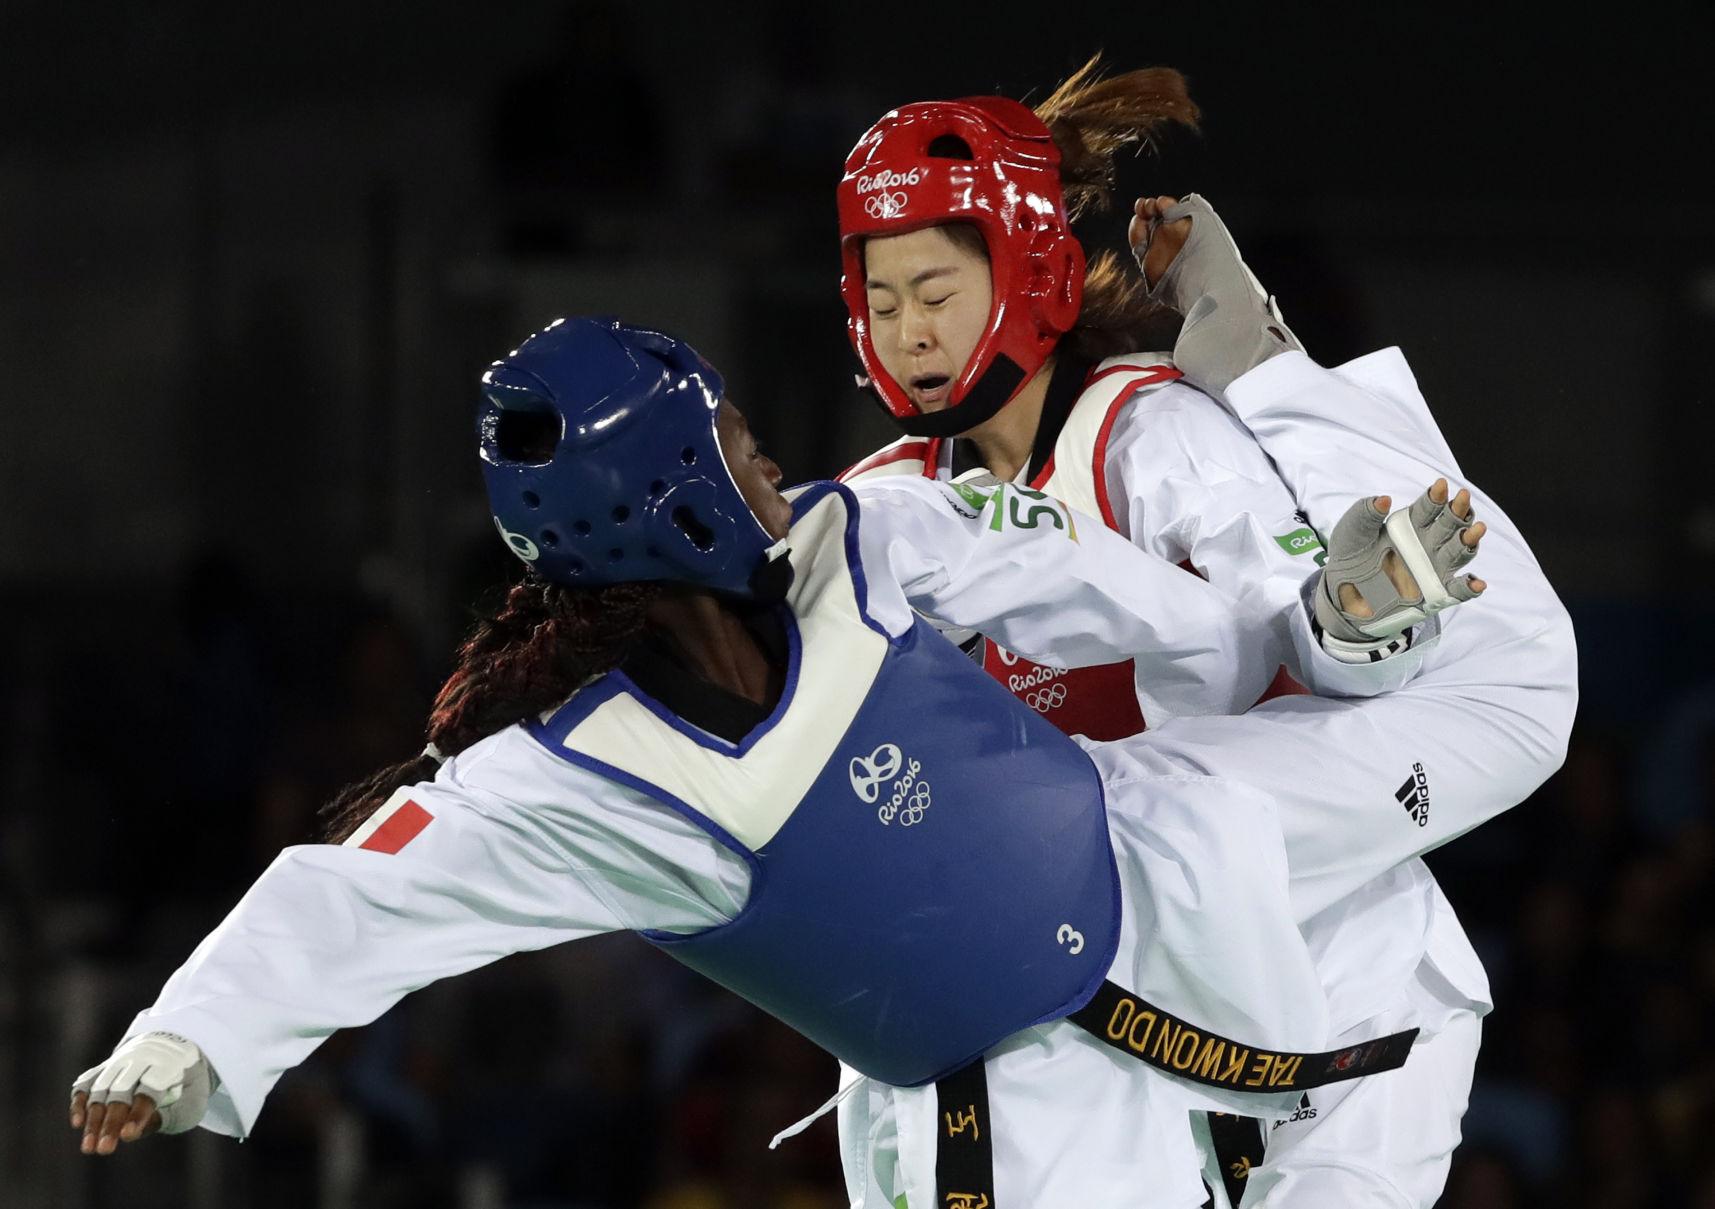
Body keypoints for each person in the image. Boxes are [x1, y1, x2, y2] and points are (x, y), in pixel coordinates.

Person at [70, 316, 1520, 1207]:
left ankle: (1319, 483)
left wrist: (1296, 616)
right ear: (673, 497)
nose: (772, 463)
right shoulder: (588, 782)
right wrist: (182, 1040)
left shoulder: (850, 538)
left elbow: (1101, 587)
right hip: (998, 1112)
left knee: (1433, 879)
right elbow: (354, 895)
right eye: (740, 444)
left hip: (1155, 860)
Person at [833, 59, 1576, 1206]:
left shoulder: (1144, 433)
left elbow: (1294, 638)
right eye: (882, 305)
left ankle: (1267, 356)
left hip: (1337, 976)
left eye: (933, 294)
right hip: (1105, 1010)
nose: (909, 332)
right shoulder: (882, 500)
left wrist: (1340, 618)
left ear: (1029, 271)